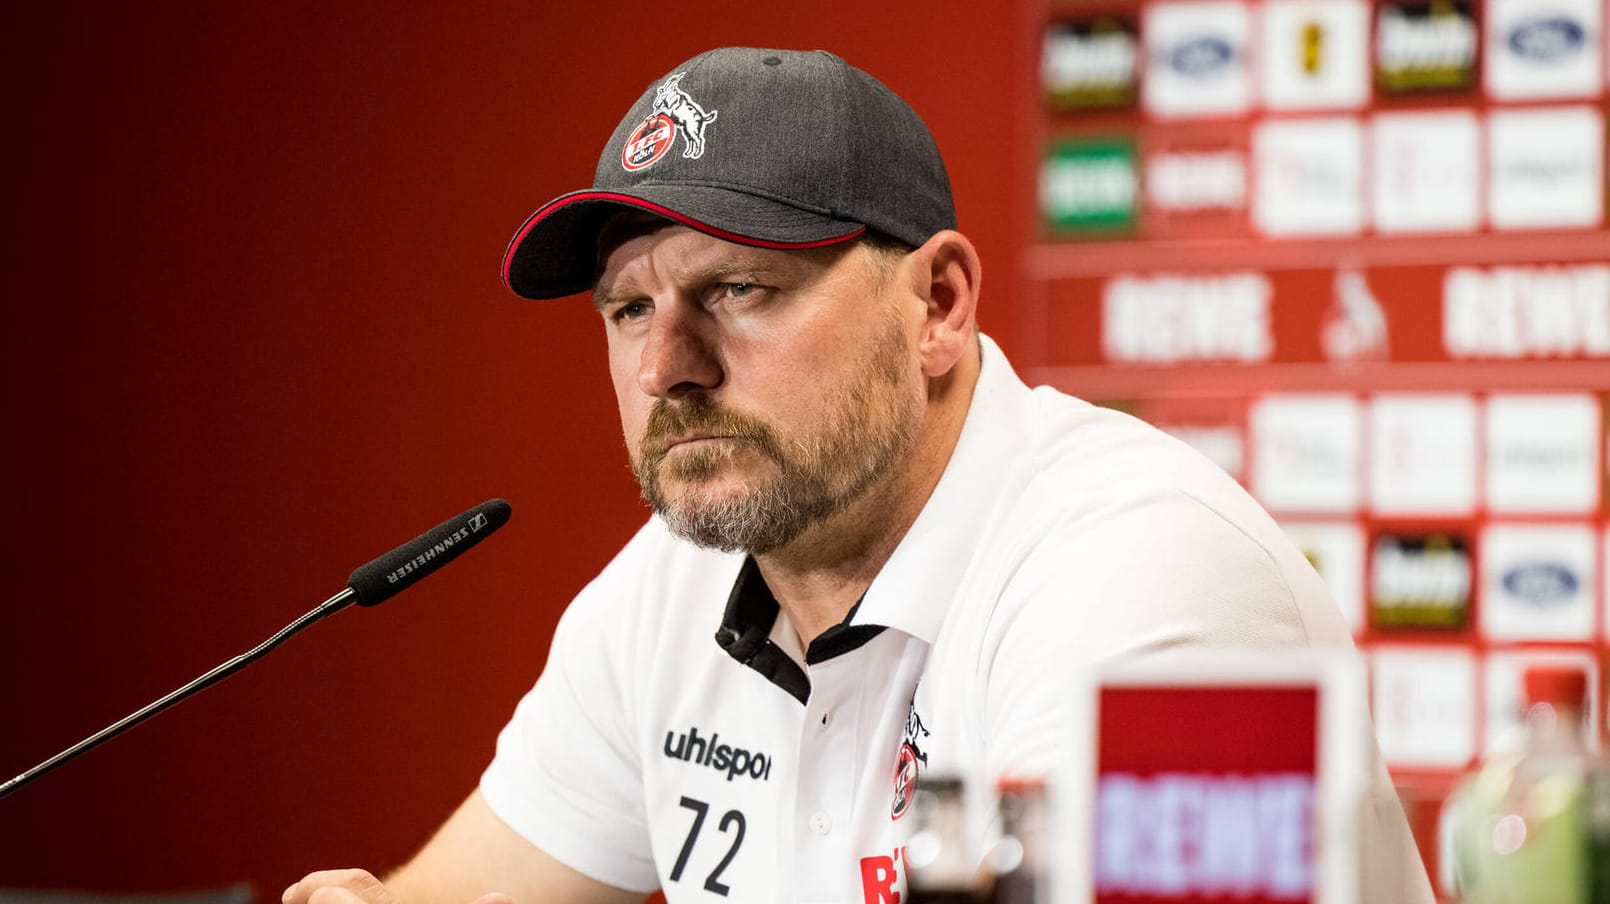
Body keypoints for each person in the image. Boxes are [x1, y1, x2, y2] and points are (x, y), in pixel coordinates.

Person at [286, 47, 1433, 904]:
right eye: (629, 307)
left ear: (934, 306)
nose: (663, 368)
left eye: (739, 290)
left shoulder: (1157, 574)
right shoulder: (668, 590)